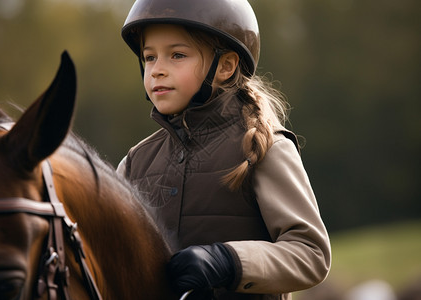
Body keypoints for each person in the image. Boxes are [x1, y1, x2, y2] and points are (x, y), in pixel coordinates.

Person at [117, 0, 331, 299]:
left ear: (226, 66)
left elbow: (311, 255)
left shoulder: (264, 148)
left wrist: (227, 262)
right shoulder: (133, 163)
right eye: (149, 57)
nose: (157, 71)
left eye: (177, 55)